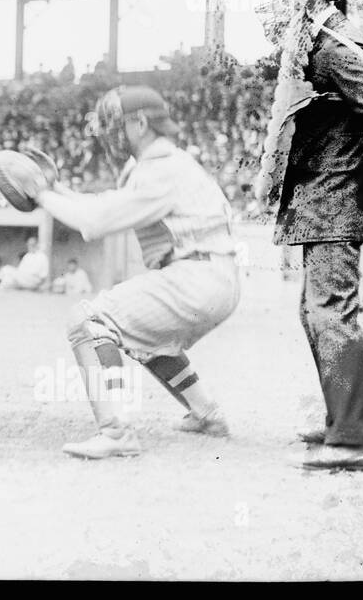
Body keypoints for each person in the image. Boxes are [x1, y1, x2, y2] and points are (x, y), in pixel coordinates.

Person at [31, 87, 240, 459]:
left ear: (140, 123)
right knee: (147, 337)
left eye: (116, 125)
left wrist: (41, 196)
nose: (109, 134)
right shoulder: (163, 163)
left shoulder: (160, 170)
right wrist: (57, 189)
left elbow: (96, 221)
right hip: (211, 276)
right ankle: (207, 413)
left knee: (88, 321)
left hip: (196, 277)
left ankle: (115, 431)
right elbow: (108, 205)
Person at [249, 0, 363, 471]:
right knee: (317, 311)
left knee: (329, 310)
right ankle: (343, 419)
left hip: (333, 198)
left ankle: (355, 436)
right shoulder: (315, 45)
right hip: (321, 198)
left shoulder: (331, 48)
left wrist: (358, 170)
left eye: (274, 1)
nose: (266, 13)